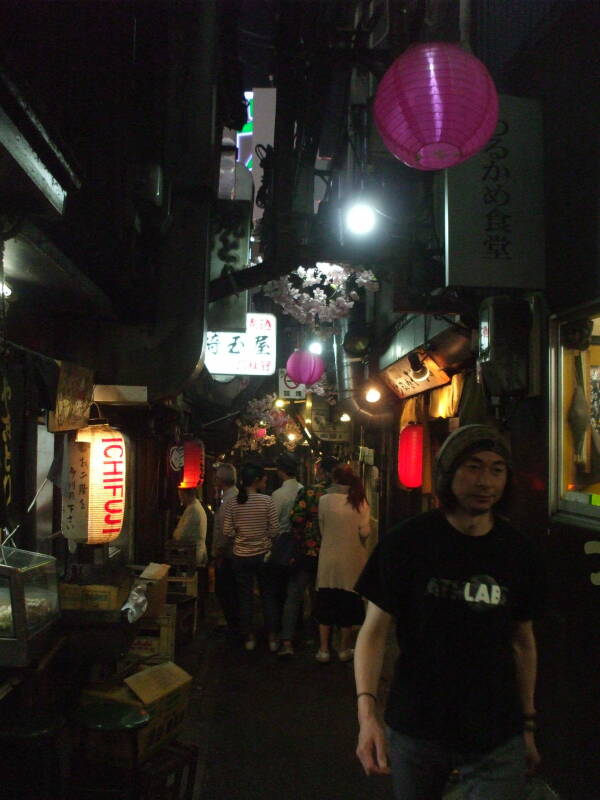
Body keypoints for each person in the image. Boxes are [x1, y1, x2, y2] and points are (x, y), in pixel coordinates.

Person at [354, 424, 545, 800]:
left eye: (496, 469)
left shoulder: (519, 552)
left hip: (496, 731)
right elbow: (374, 631)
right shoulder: (407, 542)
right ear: (447, 471)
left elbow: (524, 643)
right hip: (417, 725)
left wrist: (528, 725)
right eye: (473, 466)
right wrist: (366, 717)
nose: (485, 481)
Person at [283, 455, 339, 655]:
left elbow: (296, 518)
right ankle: (324, 641)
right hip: (331, 552)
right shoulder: (342, 495)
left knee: (295, 594)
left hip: (307, 550)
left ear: (322, 471)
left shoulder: (309, 492)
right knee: (324, 597)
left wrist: (304, 533)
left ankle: (287, 642)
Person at [315, 463, 370, 663]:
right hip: (351, 561)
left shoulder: (324, 501)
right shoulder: (359, 501)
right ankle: (344, 649)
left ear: (335, 479)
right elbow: (365, 532)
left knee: (325, 605)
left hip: (328, 559)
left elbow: (322, 529)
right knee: (347, 607)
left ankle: (323, 650)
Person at [223, 461, 280, 652]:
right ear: (256, 480)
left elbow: (228, 532)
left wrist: (242, 535)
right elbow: (274, 530)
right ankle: (272, 638)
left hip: (241, 556)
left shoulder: (232, 502)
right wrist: (262, 537)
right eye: (263, 478)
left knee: (245, 598)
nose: (265, 481)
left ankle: (249, 637)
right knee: (268, 597)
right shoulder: (267, 501)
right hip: (263, 556)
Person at [270, 453, 303, 657]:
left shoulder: (278, 495)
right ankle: (294, 630)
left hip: (281, 546)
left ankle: (281, 634)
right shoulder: (303, 491)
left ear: (281, 471)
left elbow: (273, 526)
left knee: (278, 592)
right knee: (295, 591)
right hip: (299, 546)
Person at [211, 462, 240, 633]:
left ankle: (233, 627)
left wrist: (218, 552)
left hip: (228, 554)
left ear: (220, 479)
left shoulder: (229, 500)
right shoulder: (235, 496)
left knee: (226, 591)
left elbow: (225, 531)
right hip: (235, 552)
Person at [172, 485, 208, 570]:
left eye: (180, 496)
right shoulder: (195, 506)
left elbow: (180, 536)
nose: (180, 499)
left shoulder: (193, 510)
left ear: (185, 494)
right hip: (196, 551)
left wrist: (175, 532)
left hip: (192, 554)